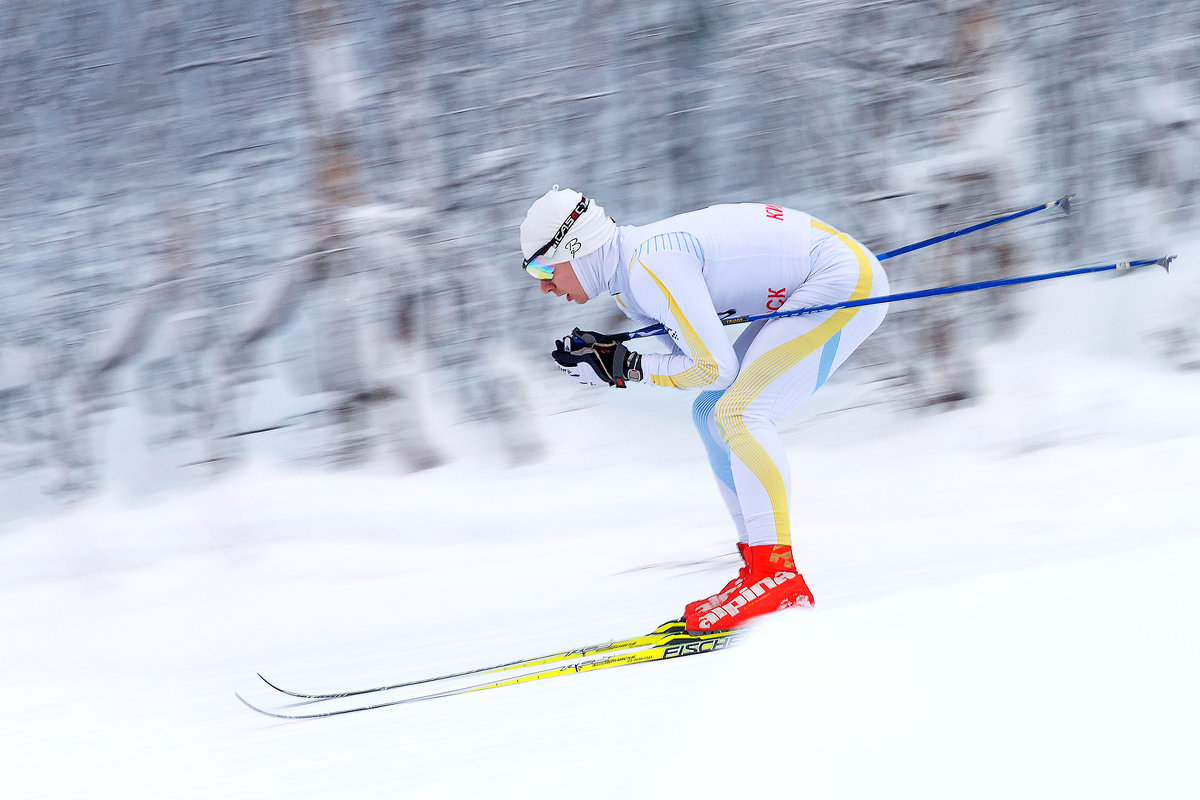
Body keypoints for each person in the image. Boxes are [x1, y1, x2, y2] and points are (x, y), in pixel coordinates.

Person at [520, 186, 889, 632]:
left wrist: (627, 368)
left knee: (740, 413)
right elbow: (694, 365)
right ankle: (759, 568)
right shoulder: (630, 285)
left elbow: (712, 367)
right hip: (822, 273)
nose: (543, 286)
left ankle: (777, 575)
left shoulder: (648, 269)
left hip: (839, 277)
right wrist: (614, 359)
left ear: (574, 247)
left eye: (543, 267)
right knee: (711, 412)